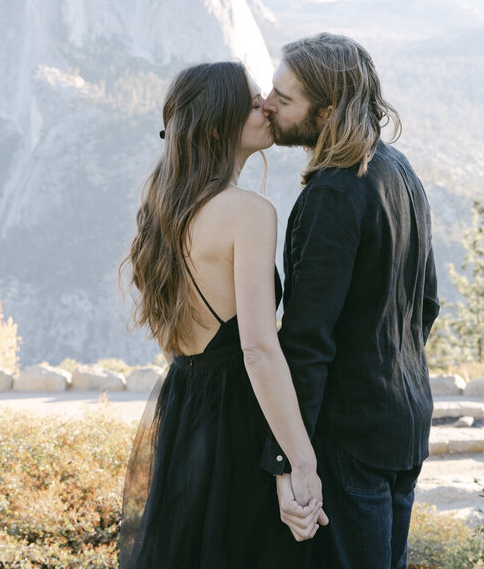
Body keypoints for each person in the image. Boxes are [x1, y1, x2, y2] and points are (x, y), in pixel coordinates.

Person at [118, 61, 325, 569]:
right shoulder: (248, 212)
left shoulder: (163, 204)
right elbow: (257, 348)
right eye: (253, 103)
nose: (267, 108)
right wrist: (301, 462)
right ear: (218, 125)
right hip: (237, 417)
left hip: (185, 407)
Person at [259, 33, 440, 569]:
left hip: (350, 435)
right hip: (405, 421)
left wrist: (287, 461)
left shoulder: (333, 195)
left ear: (328, 111)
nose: (267, 103)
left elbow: (306, 342)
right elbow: (426, 302)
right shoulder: (400, 170)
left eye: (284, 99)